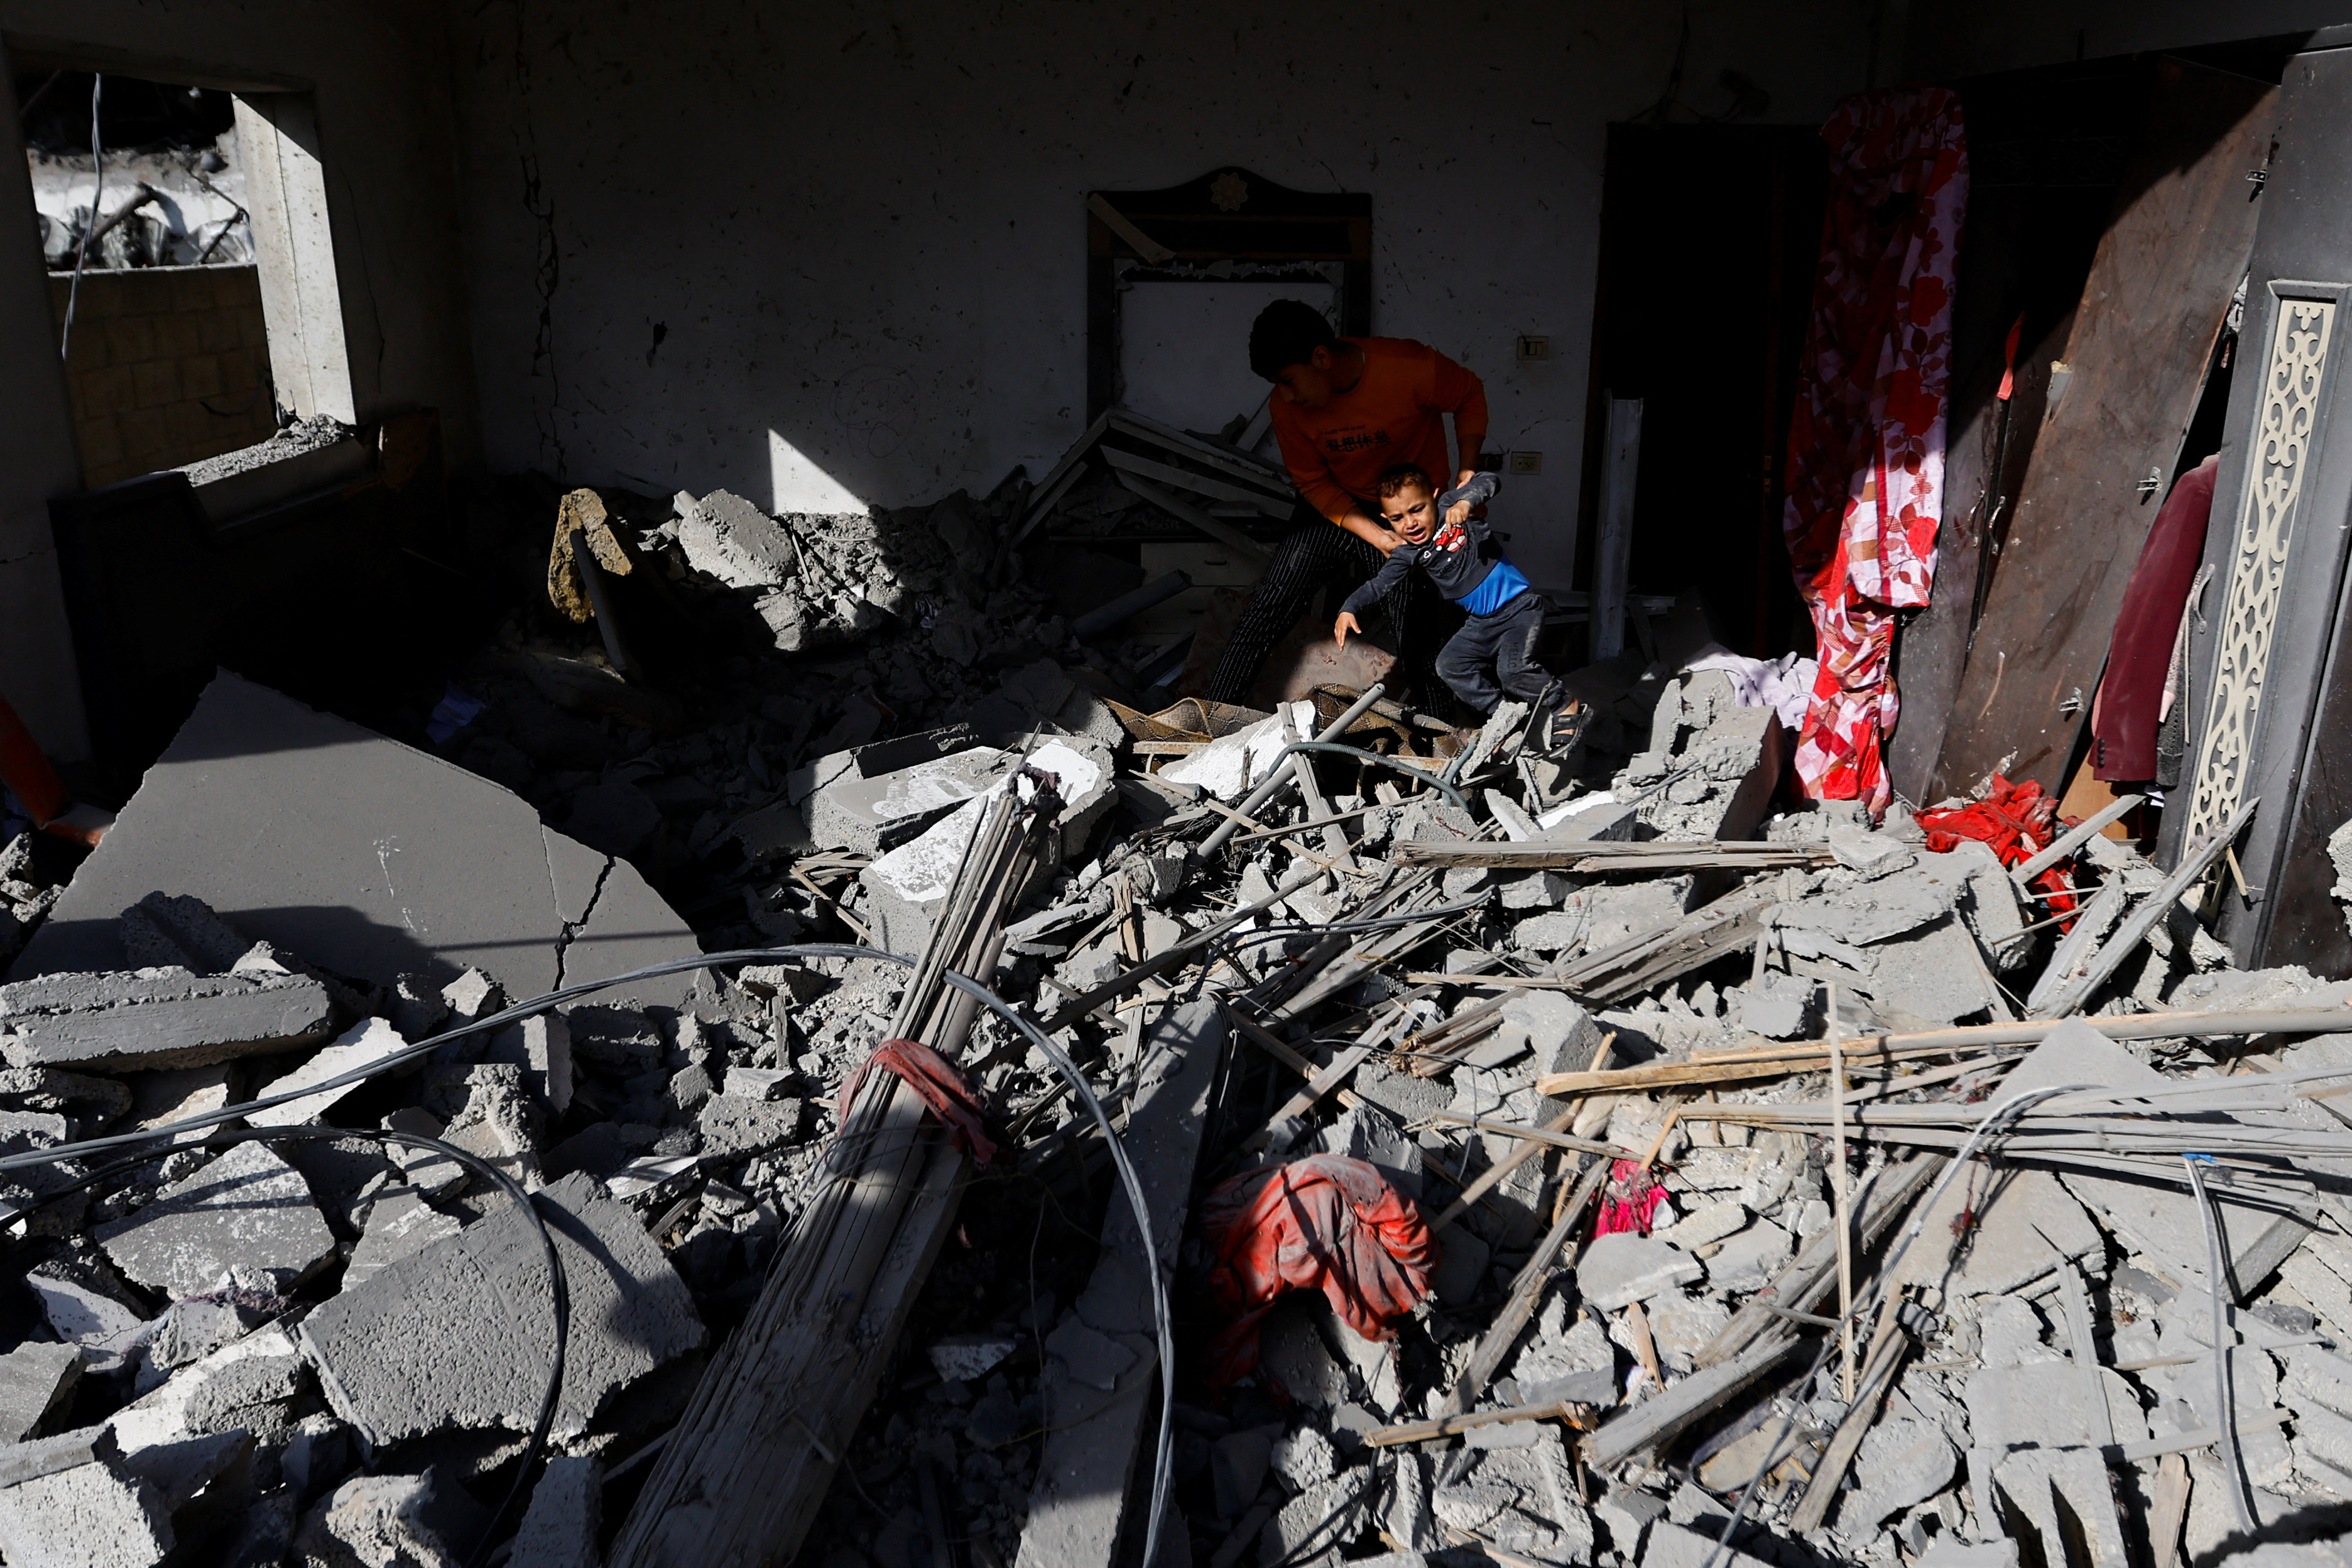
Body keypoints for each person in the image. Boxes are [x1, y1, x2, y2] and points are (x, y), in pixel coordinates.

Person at [1204, 300, 1489, 707]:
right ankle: (1214, 715)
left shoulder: (1409, 368)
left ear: (1321, 358)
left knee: (1415, 636)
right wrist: (1376, 537)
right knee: (1268, 606)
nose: (1284, 396)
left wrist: (1468, 476)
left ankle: (1441, 746)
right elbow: (1313, 481)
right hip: (1336, 505)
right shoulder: (1286, 408)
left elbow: (1469, 393)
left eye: (1288, 380)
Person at [1334, 465, 1560, 737]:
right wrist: (1349, 608)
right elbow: (1377, 585)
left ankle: (1564, 706)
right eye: (1398, 518)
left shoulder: (1451, 507)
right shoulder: (1407, 554)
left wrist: (1466, 502)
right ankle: (1505, 715)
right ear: (1387, 519)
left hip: (1518, 609)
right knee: (1451, 665)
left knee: (1512, 673)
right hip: (1482, 623)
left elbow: (1489, 480)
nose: (1410, 523)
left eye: (1417, 510)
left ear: (1434, 497)